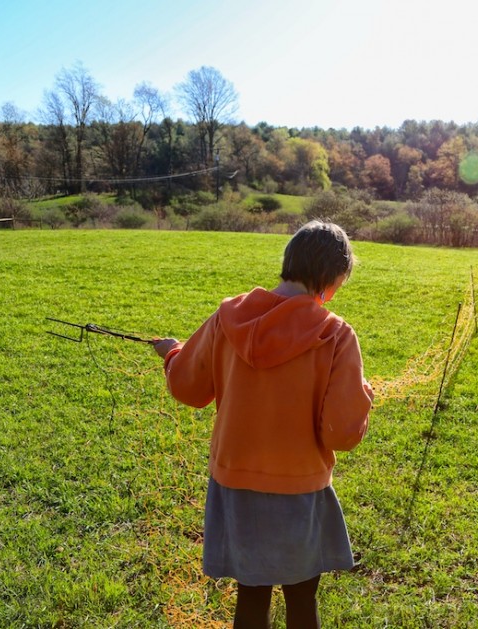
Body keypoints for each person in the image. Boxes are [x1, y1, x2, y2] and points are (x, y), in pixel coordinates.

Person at [154, 220, 374, 629]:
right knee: (303, 600)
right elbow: (342, 434)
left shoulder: (227, 316)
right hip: (301, 487)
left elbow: (189, 386)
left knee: (251, 597)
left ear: (289, 262)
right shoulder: (336, 334)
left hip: (235, 484)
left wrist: (172, 354)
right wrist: (363, 395)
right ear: (333, 278)